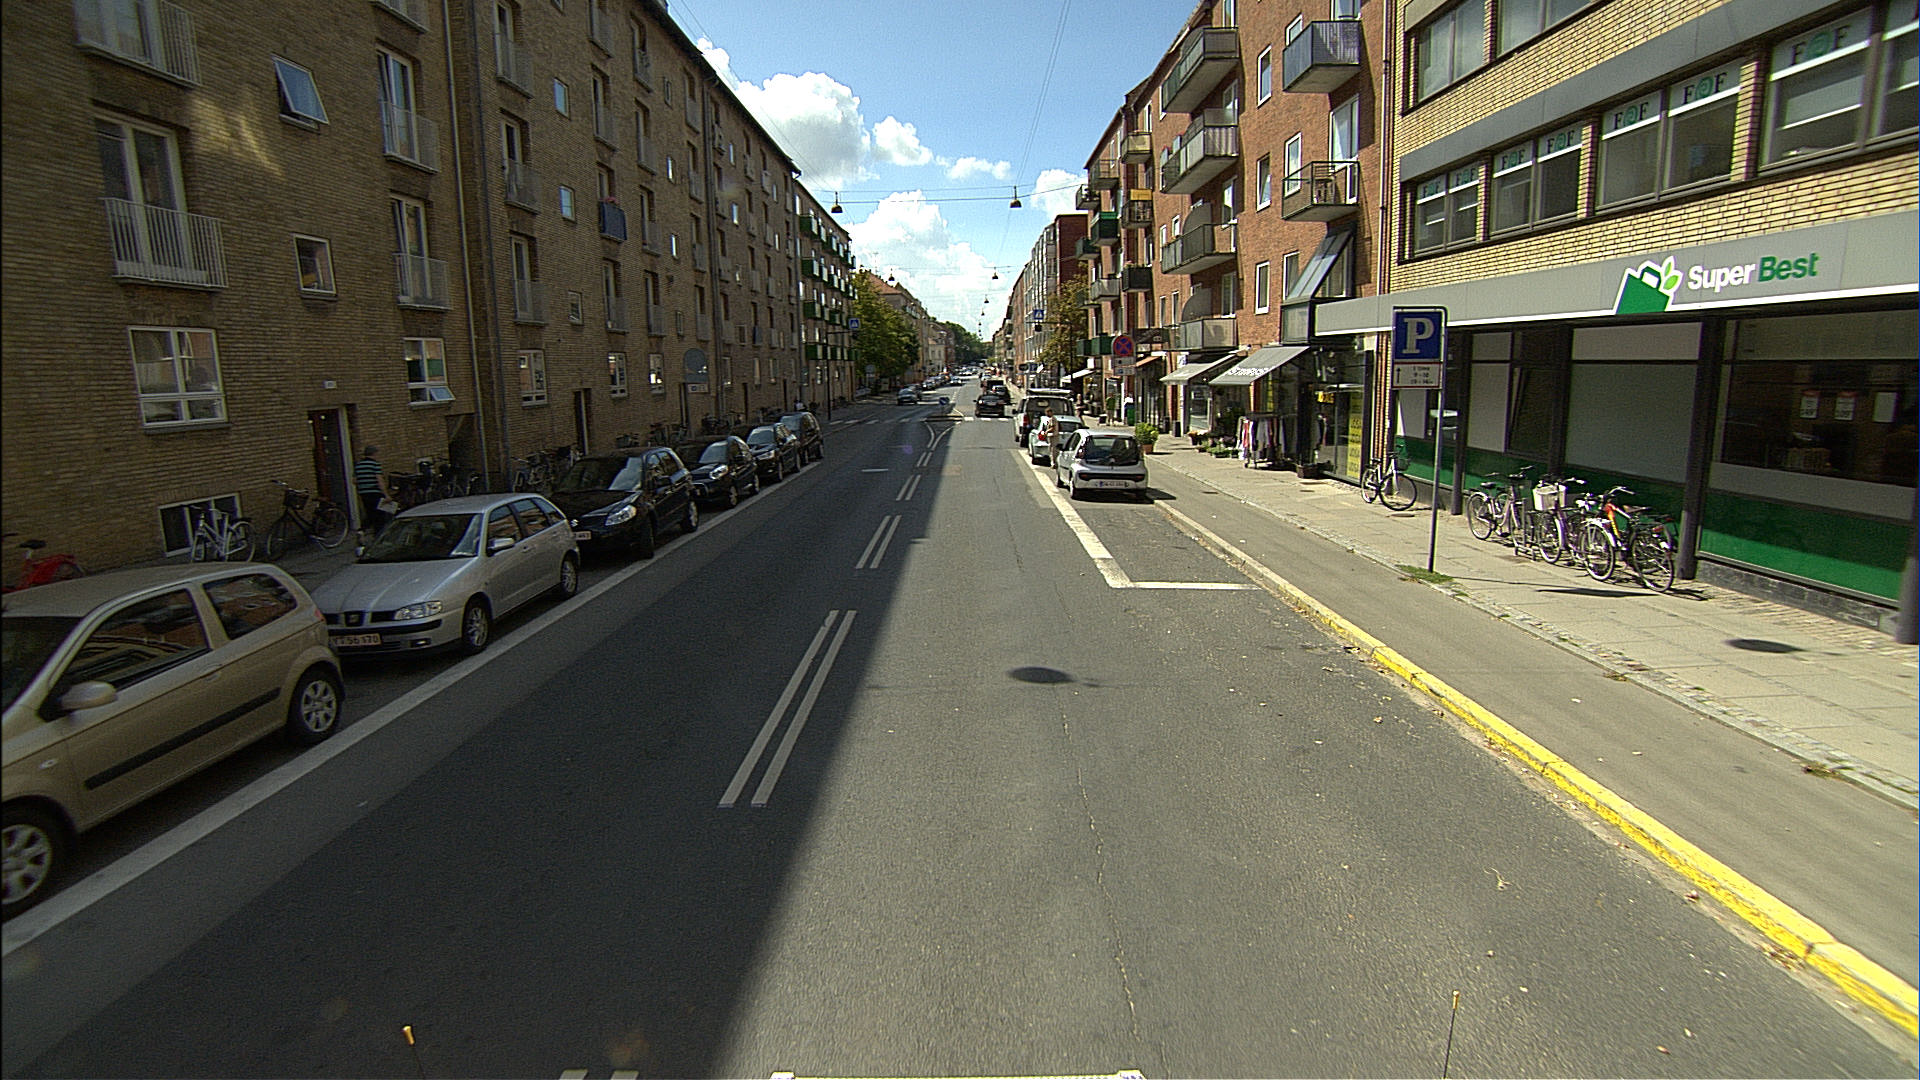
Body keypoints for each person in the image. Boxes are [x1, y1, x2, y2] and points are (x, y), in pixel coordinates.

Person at [354, 445, 394, 538]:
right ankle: (378, 536)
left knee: (370, 513)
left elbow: (354, 480)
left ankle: (362, 530)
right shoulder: (375, 464)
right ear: (374, 453)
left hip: (363, 493)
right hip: (375, 492)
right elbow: (380, 480)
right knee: (379, 515)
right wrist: (386, 495)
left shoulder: (358, 466)